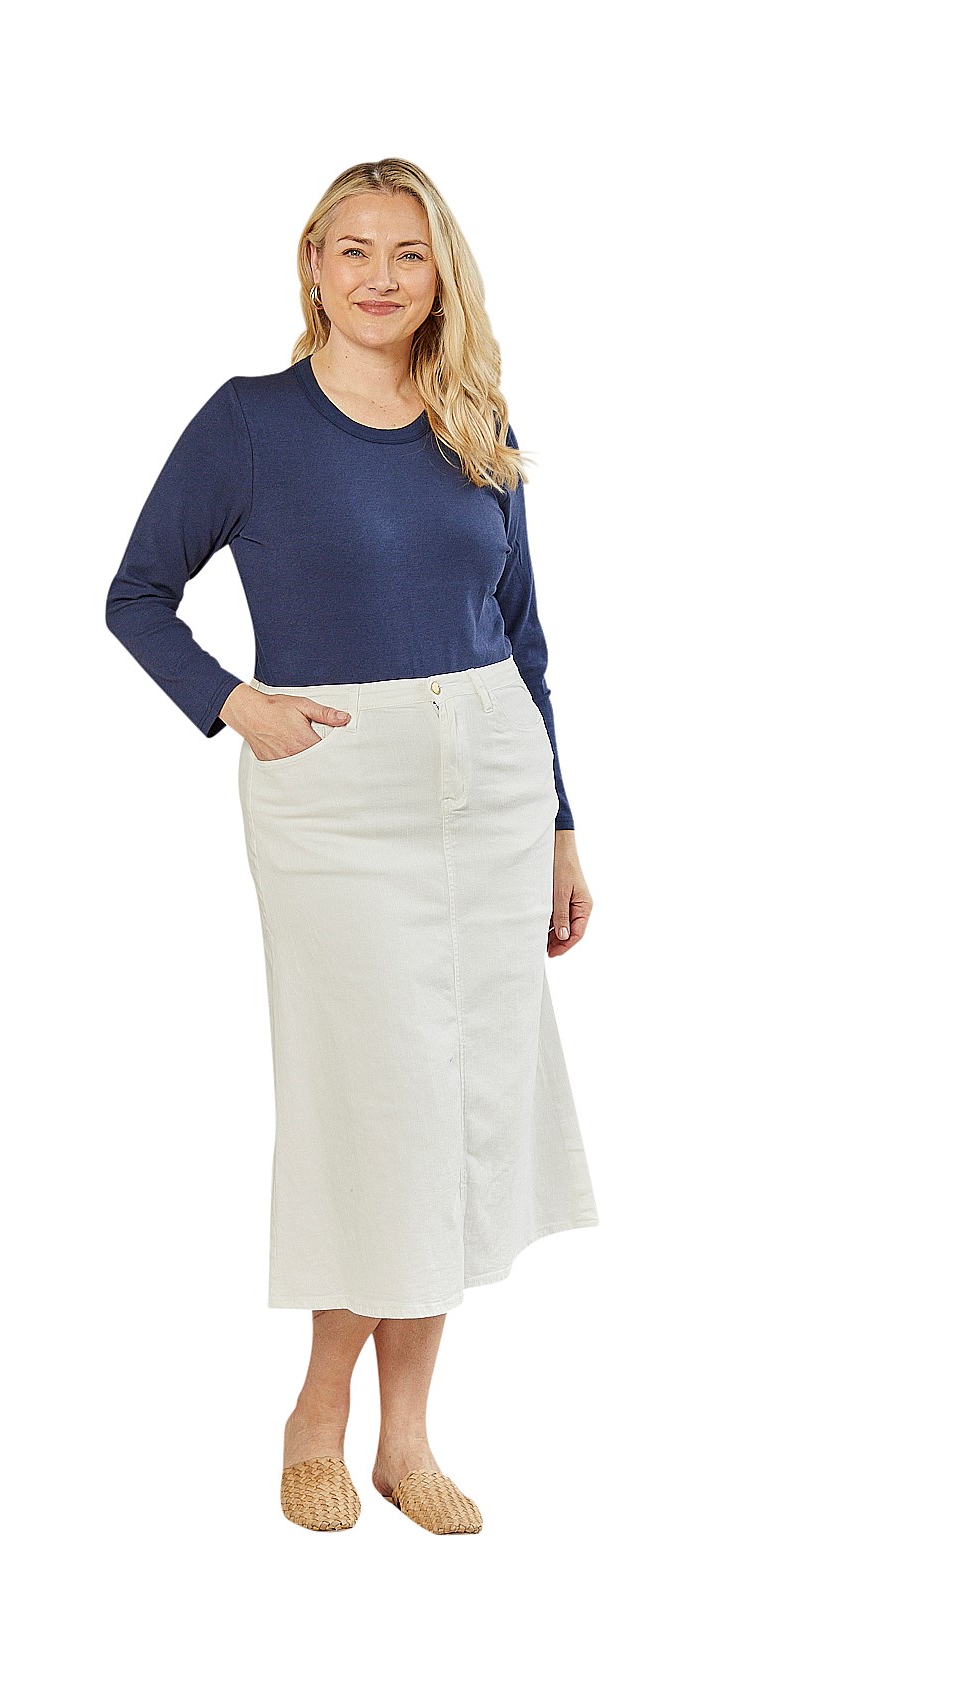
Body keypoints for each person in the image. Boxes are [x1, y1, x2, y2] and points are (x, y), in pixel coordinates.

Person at [105, 157, 598, 1535]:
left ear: (442, 275)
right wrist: (235, 703)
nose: (381, 277)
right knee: (375, 1108)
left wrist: (563, 825)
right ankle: (316, 1414)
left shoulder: (475, 421)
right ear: (313, 266)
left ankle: (408, 1437)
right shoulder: (250, 423)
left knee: (462, 1111)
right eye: (354, 250)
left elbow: (526, 640)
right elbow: (136, 596)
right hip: (335, 799)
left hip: (492, 782)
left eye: (409, 253)